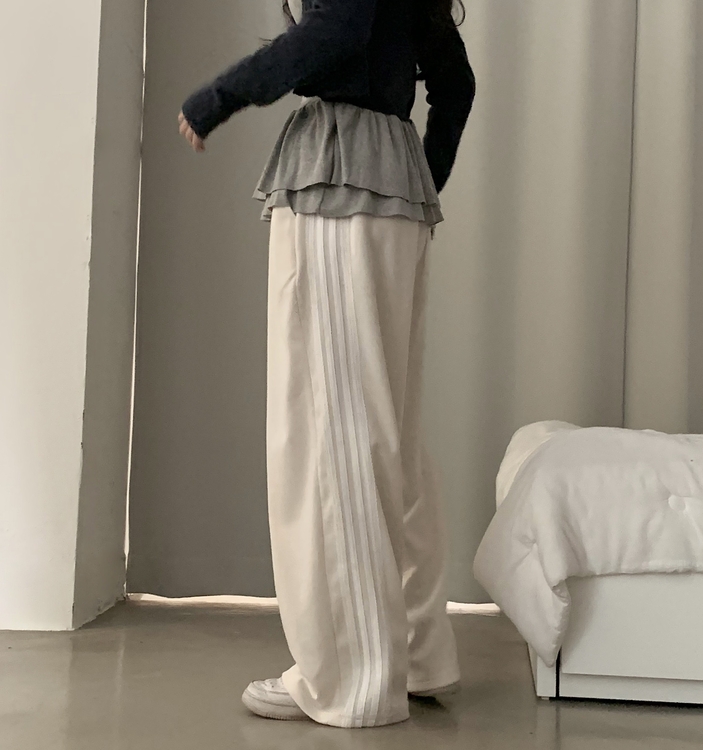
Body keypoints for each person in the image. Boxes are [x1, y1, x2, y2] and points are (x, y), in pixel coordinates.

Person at [178, 0, 475, 729]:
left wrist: (218, 97)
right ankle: (412, 654)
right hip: (387, 193)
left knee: (332, 435)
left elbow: (333, 33)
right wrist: (415, 173)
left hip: (339, 185)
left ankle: (353, 677)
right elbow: (455, 83)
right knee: (387, 434)